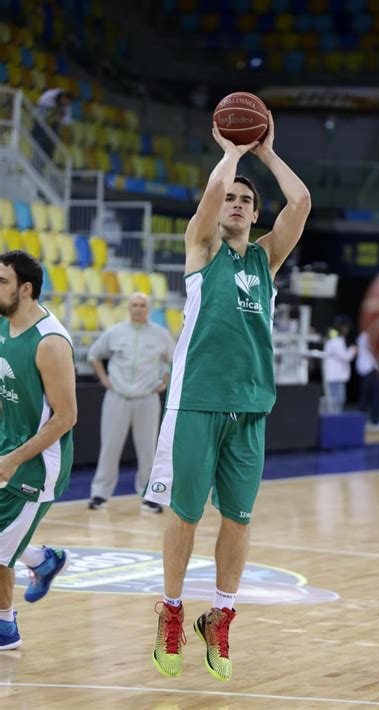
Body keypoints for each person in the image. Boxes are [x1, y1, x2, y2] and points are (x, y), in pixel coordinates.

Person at [143, 112, 311, 680]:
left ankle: (221, 615)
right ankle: (170, 611)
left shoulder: (266, 260)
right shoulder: (202, 248)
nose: (235, 203)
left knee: (238, 519)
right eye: (230, 198)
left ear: (256, 215)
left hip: (252, 407)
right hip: (197, 402)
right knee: (185, 513)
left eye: (246, 201)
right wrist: (231, 152)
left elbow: (301, 201)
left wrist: (264, 152)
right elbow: (213, 192)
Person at [0, 250, 76, 650]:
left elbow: (65, 417)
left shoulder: (50, 343)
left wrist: (12, 459)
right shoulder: (3, 325)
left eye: (2, 282)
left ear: (25, 289)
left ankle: (5, 628)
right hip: (5, 446)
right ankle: (42, 560)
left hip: (35, 465)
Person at [88, 292, 175, 512]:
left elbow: (174, 361)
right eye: (134, 305)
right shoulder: (115, 332)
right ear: (129, 308)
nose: (138, 308)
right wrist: (105, 379)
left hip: (147, 398)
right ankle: (99, 494)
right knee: (109, 447)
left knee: (148, 449)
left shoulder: (161, 335)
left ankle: (150, 496)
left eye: (142, 305)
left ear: (149, 309)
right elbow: (93, 355)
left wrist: (163, 381)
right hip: (117, 397)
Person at [322, 316, 357, 413]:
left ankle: (334, 420)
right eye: (346, 327)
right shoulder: (335, 340)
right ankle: (333, 421)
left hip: (337, 376)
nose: (347, 330)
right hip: (334, 377)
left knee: (338, 400)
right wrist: (353, 350)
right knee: (335, 401)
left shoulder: (337, 338)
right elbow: (345, 356)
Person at [32, 88, 73, 159]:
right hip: (41, 121)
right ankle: (36, 160)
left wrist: (61, 120)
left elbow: (68, 120)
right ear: (62, 97)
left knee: (51, 144)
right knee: (40, 142)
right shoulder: (49, 96)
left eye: (67, 102)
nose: (65, 103)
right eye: (64, 101)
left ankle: (47, 161)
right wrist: (53, 114)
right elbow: (40, 104)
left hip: (53, 124)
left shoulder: (67, 105)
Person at [356, 331, 379, 425]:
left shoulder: (361, 336)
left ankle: (361, 419)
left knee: (366, 395)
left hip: (364, 368)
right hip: (369, 368)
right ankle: (375, 420)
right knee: (375, 395)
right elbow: (373, 351)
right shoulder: (367, 335)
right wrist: (378, 367)